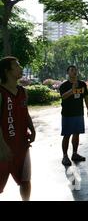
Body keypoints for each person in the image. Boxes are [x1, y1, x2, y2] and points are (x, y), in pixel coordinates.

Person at [0, 56, 36, 200]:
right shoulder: (1, 92)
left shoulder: (23, 91)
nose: (21, 68)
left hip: (22, 145)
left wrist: (32, 129)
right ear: (7, 71)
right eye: (17, 66)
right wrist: (2, 146)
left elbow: (25, 112)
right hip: (3, 147)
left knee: (25, 180)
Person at [59, 65, 88, 167]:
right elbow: (63, 97)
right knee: (67, 135)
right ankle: (65, 156)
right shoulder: (64, 85)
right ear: (68, 73)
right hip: (68, 114)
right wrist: (72, 90)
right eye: (72, 70)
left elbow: (86, 97)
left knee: (76, 134)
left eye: (75, 70)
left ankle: (74, 153)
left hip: (79, 113)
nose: (74, 72)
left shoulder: (82, 84)